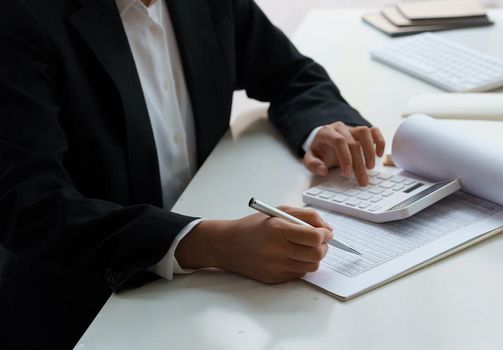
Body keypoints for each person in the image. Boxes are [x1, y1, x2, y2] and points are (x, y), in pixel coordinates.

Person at [0, 0, 384, 347]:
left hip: (203, 296)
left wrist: (323, 128)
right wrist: (210, 242)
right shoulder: (21, 18)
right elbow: (29, 204)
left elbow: (287, 72)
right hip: (86, 308)